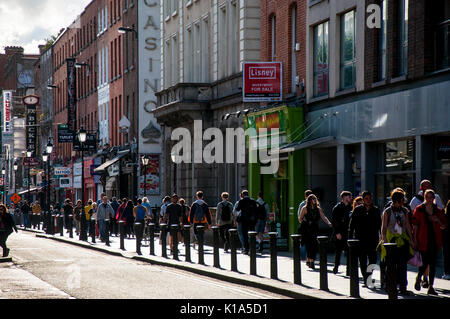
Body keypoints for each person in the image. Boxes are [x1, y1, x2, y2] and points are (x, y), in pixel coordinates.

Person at [412, 189, 448, 295]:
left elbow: (444, 226)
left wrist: (437, 220)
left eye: (431, 197)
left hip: (434, 240)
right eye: (427, 197)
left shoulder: (438, 211)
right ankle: (419, 277)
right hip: (423, 240)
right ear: (424, 198)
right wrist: (414, 239)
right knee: (424, 262)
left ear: (434, 198)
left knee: (432, 264)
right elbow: (415, 225)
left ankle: (431, 286)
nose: (429, 199)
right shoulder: (419, 210)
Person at [380, 189, 415, 295]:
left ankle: (403, 286)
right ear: (397, 200)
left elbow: (408, 226)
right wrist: (384, 240)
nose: (404, 201)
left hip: (403, 240)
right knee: (390, 265)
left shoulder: (405, 211)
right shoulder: (387, 211)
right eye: (402, 199)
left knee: (402, 264)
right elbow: (384, 227)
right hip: (391, 241)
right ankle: (389, 284)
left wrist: (412, 239)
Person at [348, 191, 381, 285]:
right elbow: (352, 225)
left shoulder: (376, 210)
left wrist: (381, 237)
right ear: (363, 200)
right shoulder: (357, 210)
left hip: (373, 239)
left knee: (373, 260)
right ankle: (366, 279)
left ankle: (368, 275)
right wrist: (350, 238)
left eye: (370, 198)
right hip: (360, 239)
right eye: (366, 199)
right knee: (362, 260)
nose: (369, 200)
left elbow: (380, 225)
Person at [299, 194, 333, 269]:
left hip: (314, 228)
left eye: (315, 199)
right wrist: (306, 223)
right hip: (306, 228)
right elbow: (300, 218)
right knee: (308, 244)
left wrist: (328, 222)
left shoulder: (318, 209)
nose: (314, 200)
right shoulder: (305, 208)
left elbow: (323, 217)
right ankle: (310, 260)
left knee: (314, 244)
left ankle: (311, 260)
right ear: (309, 200)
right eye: (313, 199)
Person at [331, 191, 352, 274]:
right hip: (340, 232)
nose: (350, 198)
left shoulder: (350, 207)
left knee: (349, 251)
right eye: (349, 197)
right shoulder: (337, 207)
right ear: (344, 197)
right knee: (338, 251)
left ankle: (348, 270)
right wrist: (337, 233)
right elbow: (334, 221)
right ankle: (336, 267)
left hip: (348, 231)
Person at [236, 190, 259, 255]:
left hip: (244, 220)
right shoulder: (253, 201)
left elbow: (237, 209)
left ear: (243, 195)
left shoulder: (241, 201)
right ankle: (253, 247)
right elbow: (256, 211)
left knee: (244, 234)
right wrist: (255, 220)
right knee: (252, 234)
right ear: (248, 194)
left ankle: (246, 248)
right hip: (252, 220)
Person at [443, 200, 450, 280]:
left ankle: (447, 272)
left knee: (447, 254)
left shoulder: (445, 215)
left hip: (447, 235)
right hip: (447, 235)